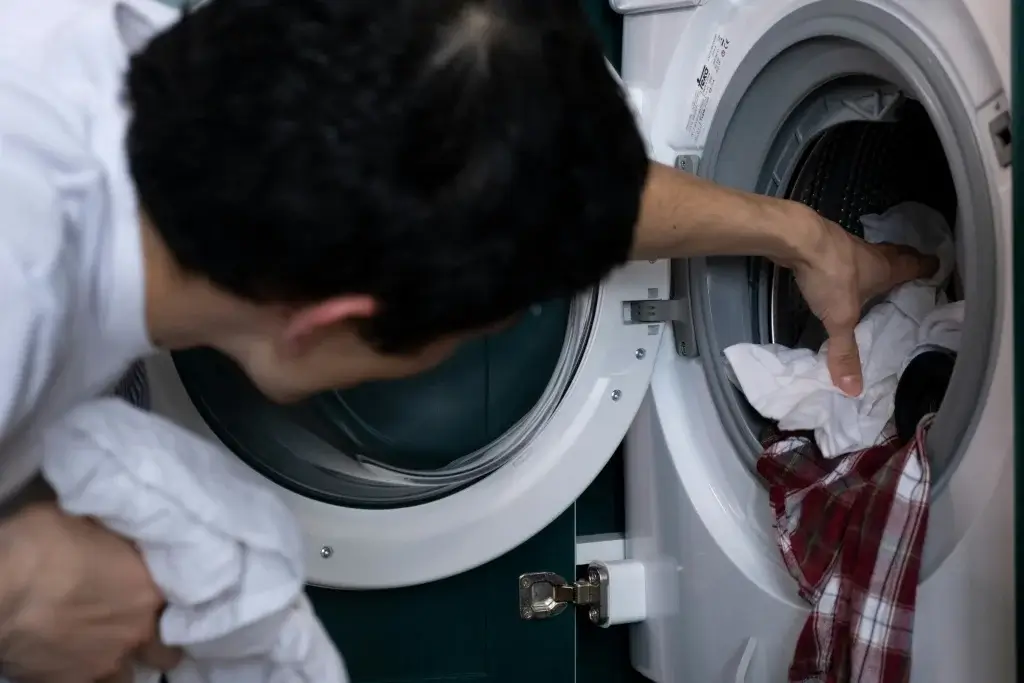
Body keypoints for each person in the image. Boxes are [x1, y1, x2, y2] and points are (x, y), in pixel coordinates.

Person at [0, 0, 937, 680]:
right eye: (456, 338)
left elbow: (473, 157)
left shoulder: (148, 44)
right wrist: (27, 587)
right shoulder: (20, 292)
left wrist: (805, 235)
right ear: (332, 323)